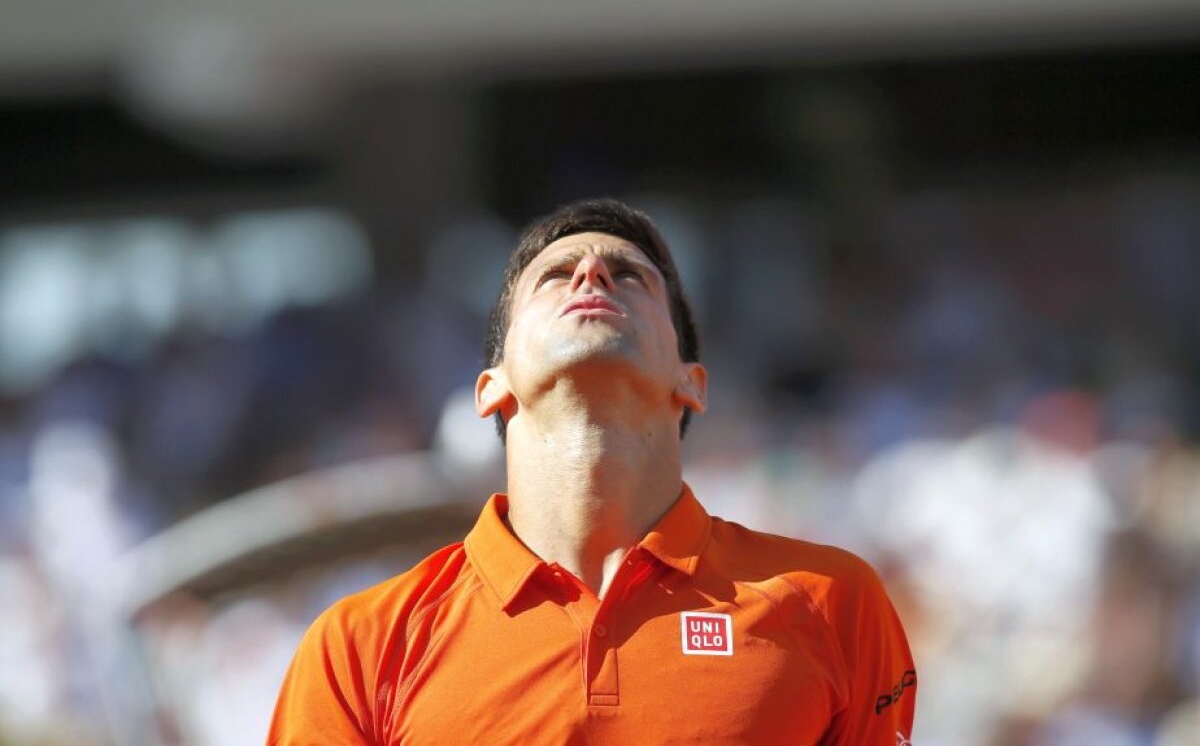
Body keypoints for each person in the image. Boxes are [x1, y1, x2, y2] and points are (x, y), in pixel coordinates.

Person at [268, 199, 917, 744]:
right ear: (490, 387)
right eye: (555, 275)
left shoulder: (834, 602)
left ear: (692, 382)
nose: (591, 277)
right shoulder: (358, 644)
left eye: (628, 275)